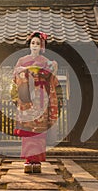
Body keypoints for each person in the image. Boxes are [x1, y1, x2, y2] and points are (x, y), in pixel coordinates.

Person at [11, 31, 61, 173]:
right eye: (33, 43)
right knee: (28, 130)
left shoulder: (45, 61)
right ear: (29, 45)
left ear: (41, 46)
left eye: (37, 43)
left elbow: (52, 80)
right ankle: (28, 160)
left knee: (39, 130)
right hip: (28, 97)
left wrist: (53, 69)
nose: (35, 45)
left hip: (41, 97)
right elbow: (15, 76)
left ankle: (37, 161)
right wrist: (24, 72)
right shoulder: (22, 60)